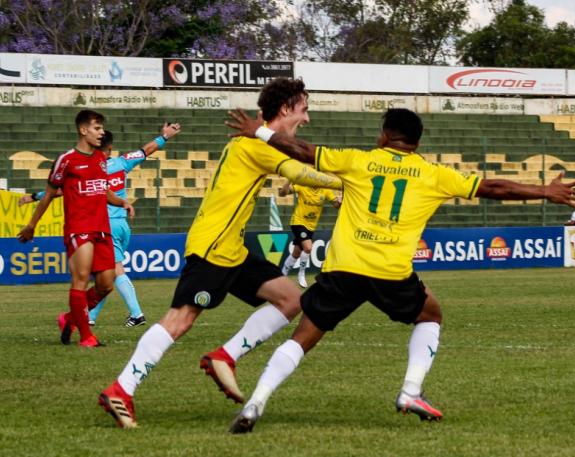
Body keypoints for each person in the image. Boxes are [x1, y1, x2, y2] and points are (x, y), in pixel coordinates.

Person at [222, 107, 575, 433]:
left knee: (303, 337)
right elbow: (493, 187)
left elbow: (302, 151)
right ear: (416, 141)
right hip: (390, 273)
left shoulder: (357, 161)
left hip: (344, 269)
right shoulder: (433, 174)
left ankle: (256, 403)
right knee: (431, 313)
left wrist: (259, 131)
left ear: (384, 135)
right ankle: (410, 391)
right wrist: (544, 191)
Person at [97, 77, 343, 429]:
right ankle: (122, 388)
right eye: (303, 111)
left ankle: (224, 356)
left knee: (291, 299)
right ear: (286, 109)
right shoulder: (257, 144)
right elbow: (302, 172)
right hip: (214, 245)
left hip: (232, 248)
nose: (306, 118)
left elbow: (298, 159)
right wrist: (353, 180)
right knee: (180, 319)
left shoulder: (257, 141)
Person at [19, 123, 182, 328]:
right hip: (123, 225)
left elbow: (60, 191)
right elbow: (146, 150)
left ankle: (137, 314)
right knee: (105, 276)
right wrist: (164, 136)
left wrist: (34, 197)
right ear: (111, 147)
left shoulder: (92, 168)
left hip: (105, 226)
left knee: (115, 271)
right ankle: (91, 315)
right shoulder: (122, 163)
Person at [17, 109, 134, 348]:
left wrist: (121, 201)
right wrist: (31, 225)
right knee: (80, 279)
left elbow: (103, 190)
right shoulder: (67, 160)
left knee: (106, 284)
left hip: (102, 228)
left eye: (102, 129)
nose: (101, 133)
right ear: (83, 130)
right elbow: (49, 195)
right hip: (78, 228)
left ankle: (69, 319)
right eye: (97, 128)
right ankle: (86, 336)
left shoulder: (101, 159)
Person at [278, 180, 341, 287]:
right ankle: (301, 274)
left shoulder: (325, 190)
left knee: (296, 253)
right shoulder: (302, 185)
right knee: (308, 247)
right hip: (298, 222)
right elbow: (282, 193)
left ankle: (282, 275)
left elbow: (336, 205)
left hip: (311, 226)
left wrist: (339, 201)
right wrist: (289, 180)